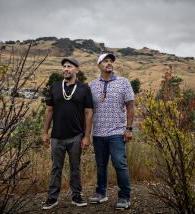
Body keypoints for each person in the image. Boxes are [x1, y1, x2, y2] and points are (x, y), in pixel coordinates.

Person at [41, 58, 94, 210]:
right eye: (64, 66)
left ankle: (76, 196)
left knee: (75, 168)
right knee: (55, 168)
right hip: (57, 136)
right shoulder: (55, 86)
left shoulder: (84, 88)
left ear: (77, 69)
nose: (65, 69)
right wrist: (45, 132)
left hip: (76, 136)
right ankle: (52, 198)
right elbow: (49, 110)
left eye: (69, 66)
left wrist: (86, 136)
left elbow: (89, 112)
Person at [88, 53, 135, 210]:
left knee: (120, 164)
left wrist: (128, 129)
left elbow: (130, 107)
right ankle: (101, 193)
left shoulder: (123, 83)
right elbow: (89, 111)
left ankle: (124, 197)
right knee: (101, 165)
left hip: (117, 132)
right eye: (105, 61)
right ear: (98, 65)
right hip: (98, 133)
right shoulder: (92, 85)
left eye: (111, 61)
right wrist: (86, 134)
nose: (109, 63)